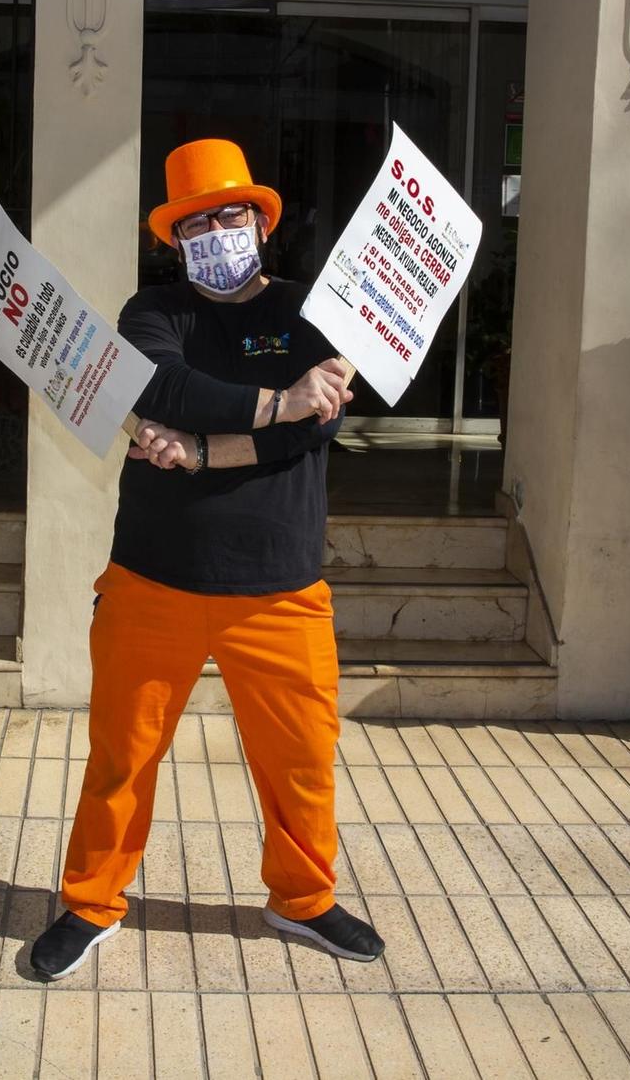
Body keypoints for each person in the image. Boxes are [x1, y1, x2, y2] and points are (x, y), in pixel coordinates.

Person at [27, 138, 381, 982]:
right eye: (196, 222)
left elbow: (316, 428)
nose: (216, 231)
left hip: (281, 583)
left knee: (301, 757)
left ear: (262, 220)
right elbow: (161, 388)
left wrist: (198, 453)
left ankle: (302, 897)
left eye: (231, 214)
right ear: (174, 236)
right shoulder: (152, 312)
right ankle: (91, 900)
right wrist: (274, 400)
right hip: (154, 577)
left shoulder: (313, 310)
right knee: (122, 755)